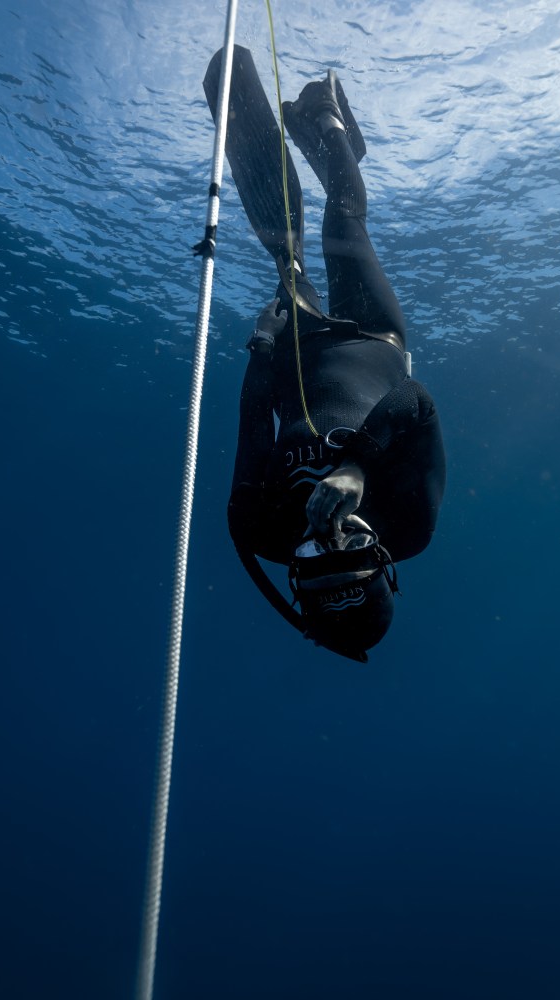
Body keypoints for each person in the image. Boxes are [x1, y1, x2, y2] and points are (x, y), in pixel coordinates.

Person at [204, 48, 446, 662]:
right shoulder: (410, 526)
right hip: (374, 339)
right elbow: (416, 402)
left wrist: (261, 347)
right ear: (384, 565)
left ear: (295, 577)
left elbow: (255, 425)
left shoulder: (259, 528)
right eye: (355, 559)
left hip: (295, 350)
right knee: (344, 221)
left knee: (285, 254)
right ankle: (326, 125)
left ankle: (264, 116)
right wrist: (359, 466)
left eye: (318, 564)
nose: (332, 541)